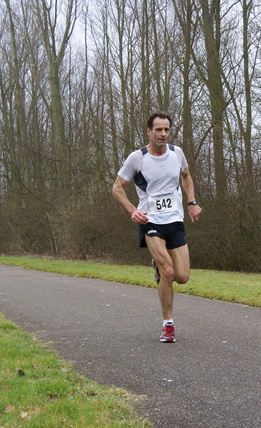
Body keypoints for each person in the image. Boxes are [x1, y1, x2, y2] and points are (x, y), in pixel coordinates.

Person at [112, 111, 202, 343]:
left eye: (167, 130)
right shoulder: (137, 158)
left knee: (182, 277)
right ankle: (168, 325)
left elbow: (186, 176)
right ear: (149, 132)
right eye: (159, 130)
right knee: (168, 272)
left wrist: (191, 202)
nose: (163, 134)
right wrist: (133, 210)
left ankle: (157, 264)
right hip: (150, 221)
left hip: (175, 220)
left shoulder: (176, 153)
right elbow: (117, 188)